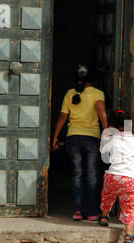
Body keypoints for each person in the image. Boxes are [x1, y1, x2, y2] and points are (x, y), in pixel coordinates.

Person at [52, 63, 108, 221]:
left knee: (77, 175)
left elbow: (63, 116)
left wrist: (55, 136)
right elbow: (101, 109)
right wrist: (106, 130)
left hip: (73, 138)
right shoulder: (97, 93)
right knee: (92, 175)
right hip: (92, 138)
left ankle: (78, 211)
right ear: (93, 79)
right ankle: (91, 212)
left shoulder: (70, 93)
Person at [98, 109, 134, 243]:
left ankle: (104, 216)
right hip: (129, 180)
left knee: (107, 195)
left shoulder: (111, 139)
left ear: (111, 126)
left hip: (113, 177)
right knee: (129, 207)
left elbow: (103, 151)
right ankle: (128, 234)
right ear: (130, 124)